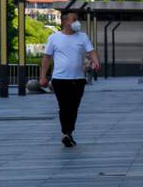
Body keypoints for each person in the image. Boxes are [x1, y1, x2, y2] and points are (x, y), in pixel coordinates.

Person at [39, 10, 100, 147]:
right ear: (65, 21)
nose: (77, 22)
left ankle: (69, 131)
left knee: (74, 107)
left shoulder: (82, 37)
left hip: (78, 79)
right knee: (64, 106)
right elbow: (47, 58)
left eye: (77, 19)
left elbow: (91, 51)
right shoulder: (54, 38)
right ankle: (65, 133)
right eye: (74, 19)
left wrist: (96, 62)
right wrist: (43, 76)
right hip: (59, 79)